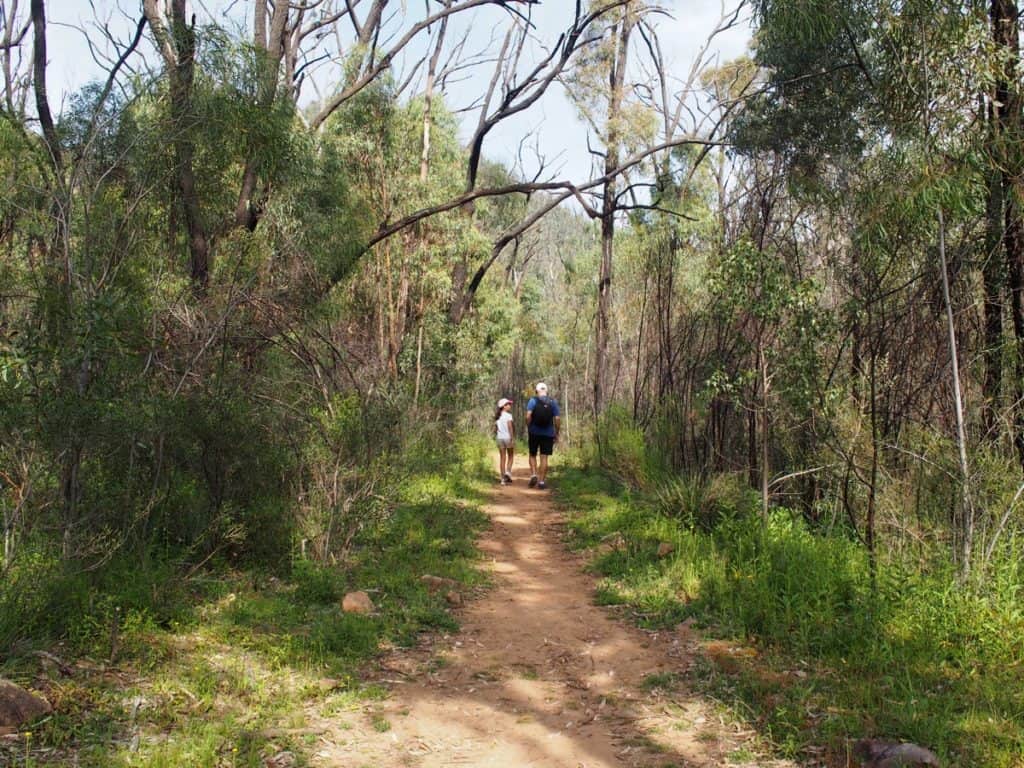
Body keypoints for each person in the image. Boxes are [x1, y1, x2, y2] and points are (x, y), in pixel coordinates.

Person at [526, 382, 560, 489]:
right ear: (546, 391)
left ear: (536, 391)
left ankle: (533, 474)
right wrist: (556, 432)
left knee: (532, 454)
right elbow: (557, 419)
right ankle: (541, 481)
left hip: (534, 432)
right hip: (548, 433)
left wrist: (529, 427)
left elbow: (528, 416)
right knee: (544, 457)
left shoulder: (533, 401)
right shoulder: (553, 402)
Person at [494, 397, 515, 484]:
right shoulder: (508, 415)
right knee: (511, 456)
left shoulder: (497, 416)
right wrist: (512, 438)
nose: (510, 405)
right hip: (507, 438)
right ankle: (508, 472)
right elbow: (510, 427)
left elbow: (495, 429)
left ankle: (503, 479)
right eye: (508, 404)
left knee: (502, 458)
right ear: (503, 406)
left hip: (499, 438)